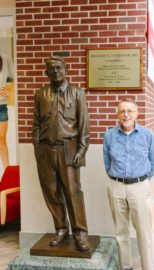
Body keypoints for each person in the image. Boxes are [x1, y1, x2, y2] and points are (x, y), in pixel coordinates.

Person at [32, 56, 90, 251]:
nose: (55, 71)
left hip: (69, 150)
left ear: (65, 69)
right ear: (46, 72)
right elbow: (37, 125)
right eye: (51, 69)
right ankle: (61, 229)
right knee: (52, 192)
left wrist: (81, 151)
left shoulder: (77, 93)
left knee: (73, 193)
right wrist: (38, 149)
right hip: (46, 150)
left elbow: (84, 126)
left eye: (59, 68)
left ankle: (80, 233)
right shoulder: (41, 95)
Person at [103, 98, 154, 270]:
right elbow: (106, 161)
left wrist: (142, 181)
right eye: (122, 111)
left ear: (136, 114)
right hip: (116, 186)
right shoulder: (109, 135)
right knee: (121, 230)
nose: (126, 114)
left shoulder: (147, 135)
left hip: (139, 186)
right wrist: (115, 179)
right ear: (117, 115)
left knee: (143, 231)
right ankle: (125, 267)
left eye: (129, 111)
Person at [0, 53, 14, 171]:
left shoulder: (5, 58)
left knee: (2, 140)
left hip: (1, 106)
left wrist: (8, 90)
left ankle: (7, 173)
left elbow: (13, 78)